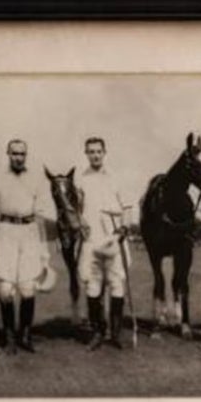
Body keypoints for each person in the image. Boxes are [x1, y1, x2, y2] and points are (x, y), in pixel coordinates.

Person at [0, 138, 50, 352]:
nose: (18, 157)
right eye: (14, 153)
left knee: (27, 289)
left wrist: (44, 250)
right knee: (5, 289)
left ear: (26, 155)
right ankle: (8, 336)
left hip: (30, 231)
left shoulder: (37, 178)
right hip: (5, 230)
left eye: (22, 154)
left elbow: (41, 214)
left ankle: (25, 334)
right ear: (8, 154)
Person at [77, 135, 135, 350]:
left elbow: (128, 208)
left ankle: (116, 334)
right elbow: (77, 209)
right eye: (90, 151)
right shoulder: (81, 179)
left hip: (113, 239)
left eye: (98, 151)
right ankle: (97, 332)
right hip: (91, 241)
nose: (95, 155)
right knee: (92, 286)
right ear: (86, 154)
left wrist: (123, 229)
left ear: (104, 152)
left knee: (116, 284)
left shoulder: (116, 177)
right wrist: (80, 223)